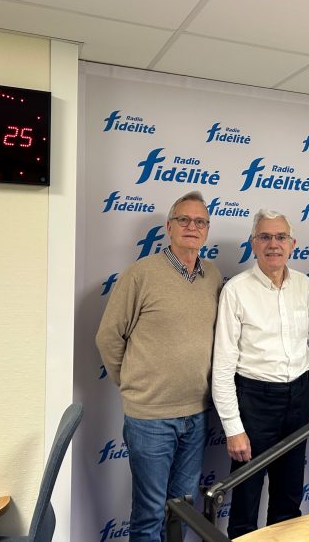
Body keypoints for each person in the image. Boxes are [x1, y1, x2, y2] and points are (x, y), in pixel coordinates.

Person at [96, 191, 222, 542]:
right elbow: (108, 337)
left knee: (182, 510)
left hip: (197, 415)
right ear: (169, 227)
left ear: (207, 230)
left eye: (200, 221)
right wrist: (134, 383)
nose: (192, 226)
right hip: (151, 418)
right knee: (149, 514)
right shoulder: (140, 274)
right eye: (184, 219)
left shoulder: (213, 276)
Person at [212, 209, 309, 538]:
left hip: (298, 396)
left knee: (289, 498)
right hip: (255, 400)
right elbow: (223, 365)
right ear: (253, 244)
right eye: (265, 237)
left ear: (292, 244)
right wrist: (233, 428)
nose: (274, 244)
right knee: (246, 499)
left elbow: (306, 339)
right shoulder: (236, 290)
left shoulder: (304, 285)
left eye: (281, 237)